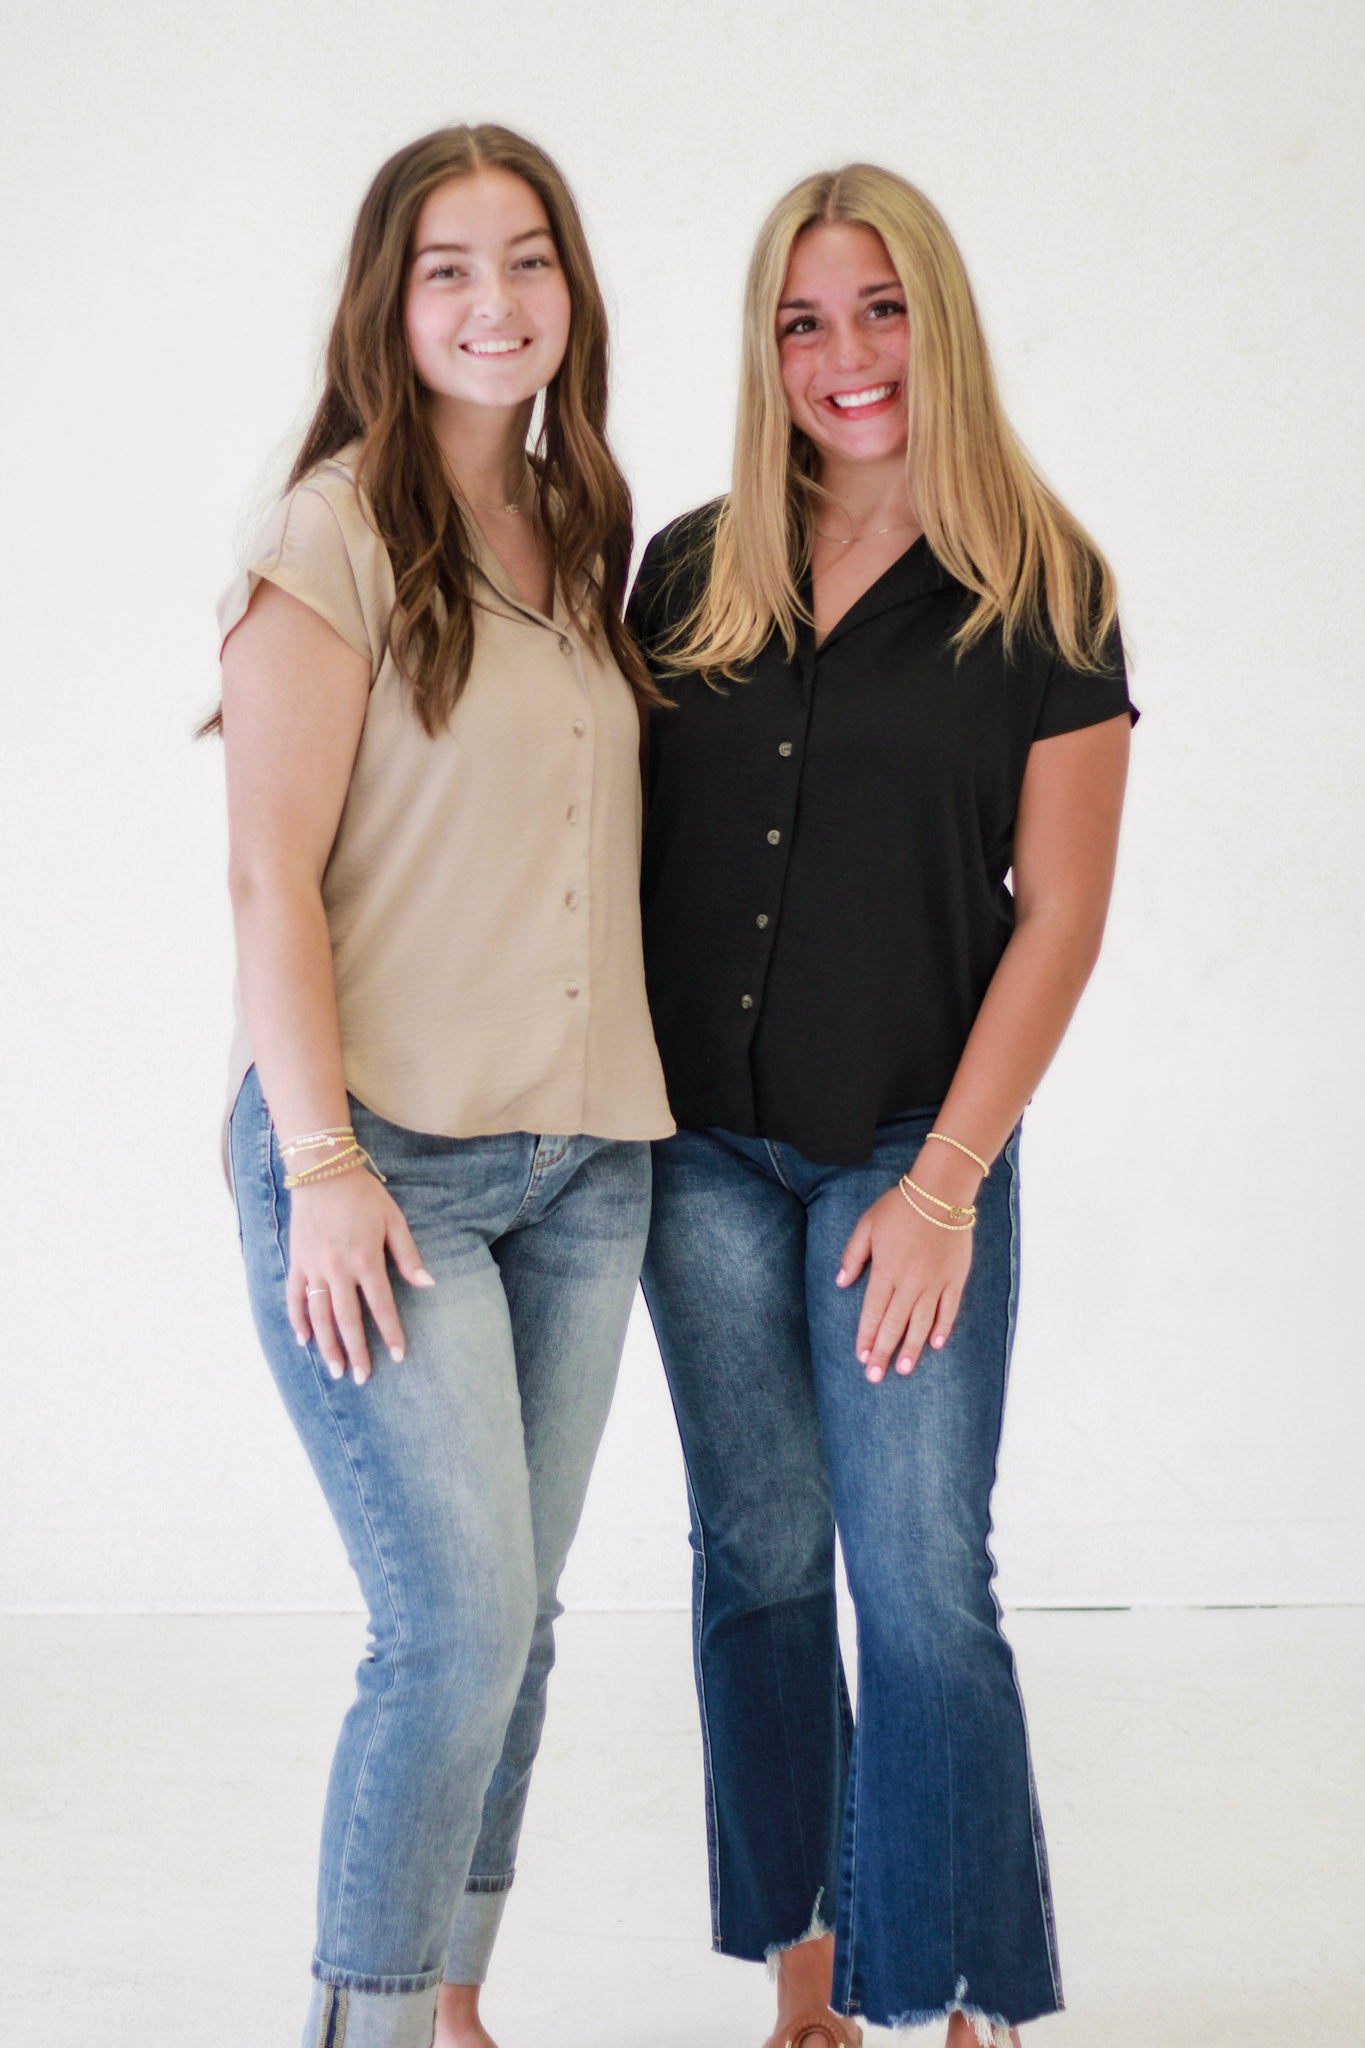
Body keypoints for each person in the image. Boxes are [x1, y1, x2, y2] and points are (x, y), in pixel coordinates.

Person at [629, 163, 1134, 2048]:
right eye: (801, 320)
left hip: (909, 1153)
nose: (845, 355)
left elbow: (1058, 918)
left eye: (880, 308)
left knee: (921, 1583)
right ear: (763, 348)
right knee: (756, 1565)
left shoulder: (1047, 589)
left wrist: (943, 1188)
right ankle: (809, 1984)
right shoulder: (687, 569)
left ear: (940, 321)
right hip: (698, 1159)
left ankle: (966, 2001)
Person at [214, 125, 672, 2048]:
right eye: (449, 268)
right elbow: (268, 875)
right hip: (380, 1159)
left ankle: (454, 2005)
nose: (498, 301)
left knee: (521, 1625)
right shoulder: (327, 534)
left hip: (586, 1167)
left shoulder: (582, 526)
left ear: (572, 288)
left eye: (530, 257)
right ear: (388, 308)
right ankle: (370, 2028)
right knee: (454, 1629)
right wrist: (319, 1160)